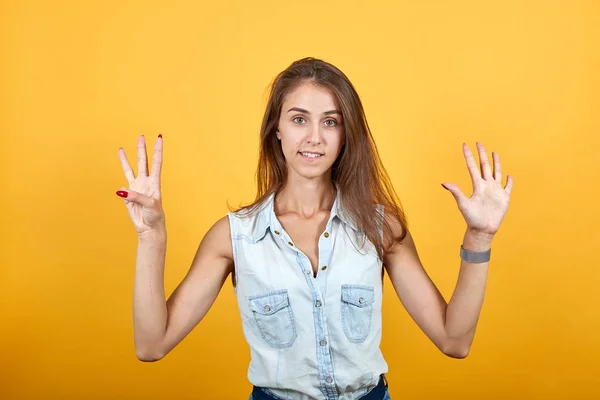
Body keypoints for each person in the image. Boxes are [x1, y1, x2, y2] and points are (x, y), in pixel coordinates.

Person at [116, 57, 514, 400]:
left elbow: (454, 340)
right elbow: (152, 345)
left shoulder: (380, 228)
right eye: (299, 119)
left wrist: (480, 236)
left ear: (346, 135)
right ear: (277, 129)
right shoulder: (234, 236)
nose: (314, 137)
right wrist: (152, 236)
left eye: (330, 122)